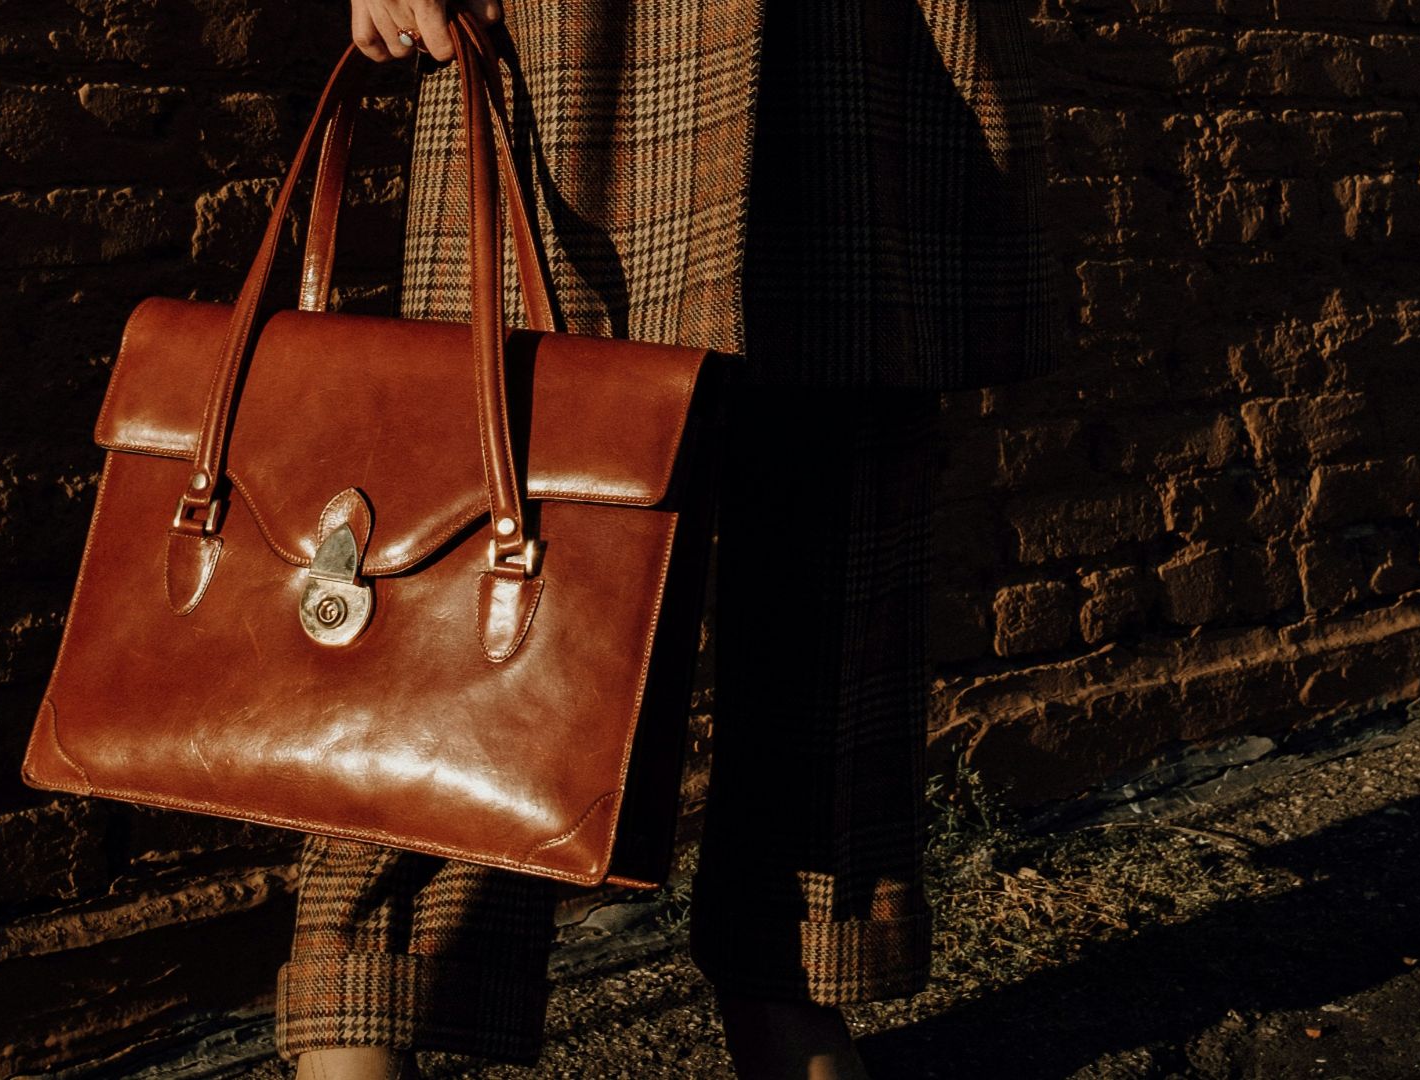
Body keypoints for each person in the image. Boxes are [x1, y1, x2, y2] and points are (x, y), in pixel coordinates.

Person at [274, 0, 1062, 1077]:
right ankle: (369, 1001)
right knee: (487, 511)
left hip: (856, 43)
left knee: (836, 516)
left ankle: (796, 983)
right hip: (573, 33)